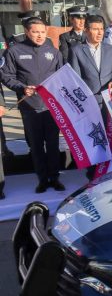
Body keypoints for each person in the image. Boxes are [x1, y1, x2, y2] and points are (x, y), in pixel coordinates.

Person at [0, 17, 64, 193]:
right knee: (36, 146)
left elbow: (62, 76)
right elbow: (6, 76)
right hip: (29, 107)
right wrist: (21, 88)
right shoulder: (14, 51)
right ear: (27, 32)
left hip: (51, 107)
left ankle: (55, 178)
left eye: (43, 32)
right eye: (35, 32)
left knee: (53, 144)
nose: (40, 35)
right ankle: (42, 179)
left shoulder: (54, 52)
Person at [68, 14, 112, 179]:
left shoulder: (111, 49)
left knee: (109, 137)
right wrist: (84, 98)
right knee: (93, 138)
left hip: (108, 102)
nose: (100, 32)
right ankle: (93, 173)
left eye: (101, 29)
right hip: (89, 104)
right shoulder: (76, 50)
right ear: (86, 30)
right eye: (95, 29)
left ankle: (109, 168)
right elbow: (74, 79)